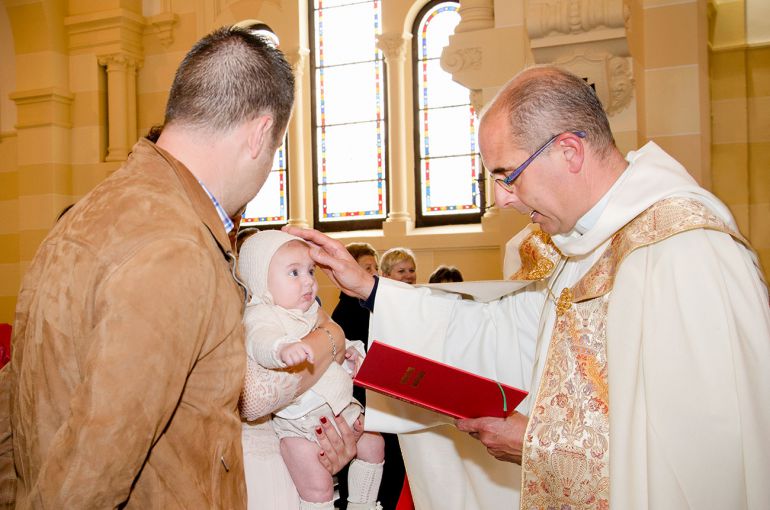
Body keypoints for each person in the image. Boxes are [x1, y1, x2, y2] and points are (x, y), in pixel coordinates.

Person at [285, 65, 770, 509]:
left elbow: (706, 461)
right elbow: (500, 333)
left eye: (508, 176)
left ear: (569, 151)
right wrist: (369, 288)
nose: (502, 199)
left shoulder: (686, 253)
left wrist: (535, 446)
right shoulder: (581, 248)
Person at [0, 26, 358, 509]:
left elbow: (14, 414)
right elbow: (85, 482)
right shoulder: (174, 245)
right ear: (258, 134)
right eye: (275, 149)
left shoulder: (97, 210)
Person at [237, 230, 384, 510]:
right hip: (299, 422)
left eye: (310, 271)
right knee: (318, 485)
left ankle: (363, 504)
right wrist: (281, 349)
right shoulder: (261, 314)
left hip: (337, 408)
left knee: (374, 442)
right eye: (294, 273)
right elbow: (259, 341)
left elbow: (338, 339)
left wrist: (351, 351)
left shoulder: (309, 311)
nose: (308, 281)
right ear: (260, 282)